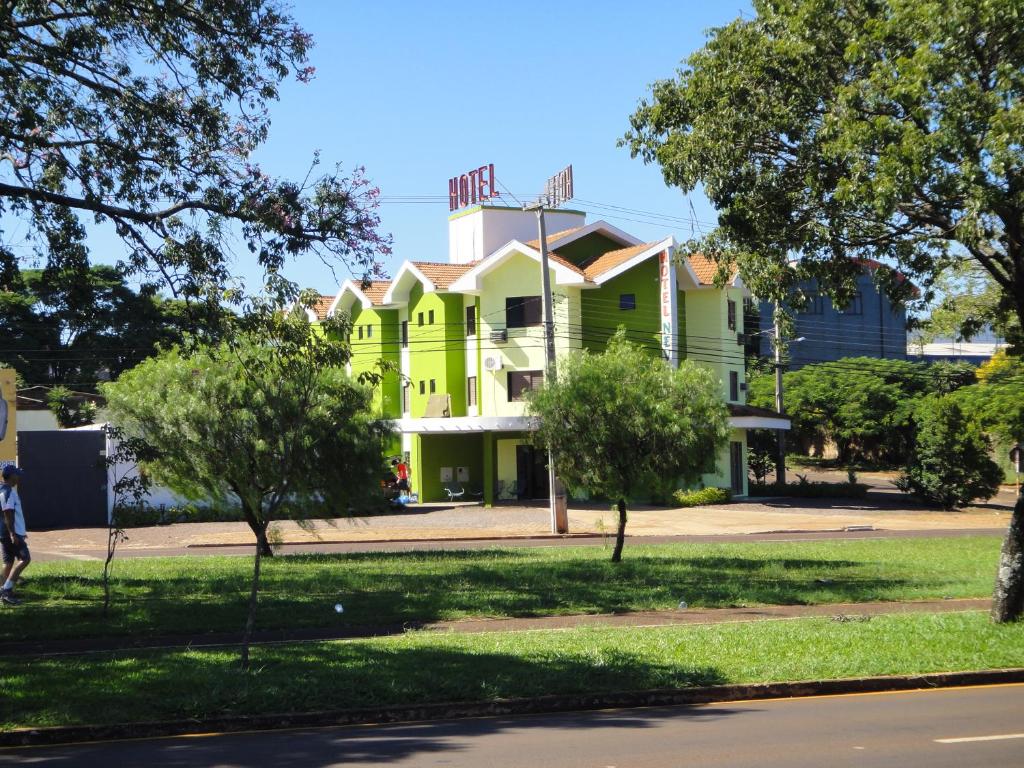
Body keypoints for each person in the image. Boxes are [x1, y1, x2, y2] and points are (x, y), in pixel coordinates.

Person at [0, 465, 29, 606]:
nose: (19, 477)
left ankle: (3, 590)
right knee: (25, 559)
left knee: (8, 562)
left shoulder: (4, 490)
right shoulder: (8, 492)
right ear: (11, 476)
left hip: (7, 533)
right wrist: (13, 534)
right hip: (11, 533)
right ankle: (6, 591)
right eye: (17, 474)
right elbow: (8, 513)